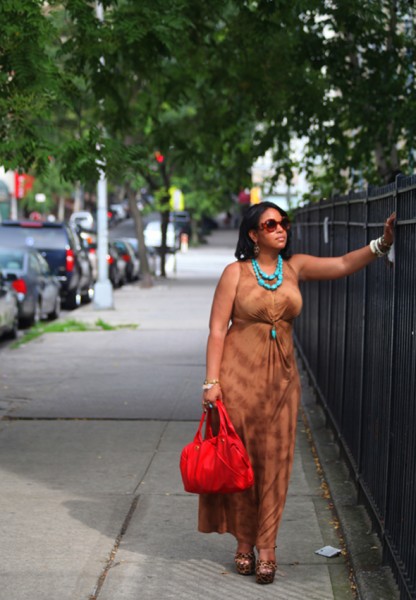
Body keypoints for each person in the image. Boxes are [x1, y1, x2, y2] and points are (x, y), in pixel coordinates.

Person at [198, 201, 395, 585]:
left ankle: (267, 547)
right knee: (243, 464)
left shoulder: (295, 267)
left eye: (282, 223)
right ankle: (243, 542)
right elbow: (217, 330)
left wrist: (381, 245)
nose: (279, 229)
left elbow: (340, 265)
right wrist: (211, 383)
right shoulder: (234, 274)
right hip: (238, 381)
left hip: (283, 385)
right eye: (270, 224)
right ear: (253, 234)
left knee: (276, 465)